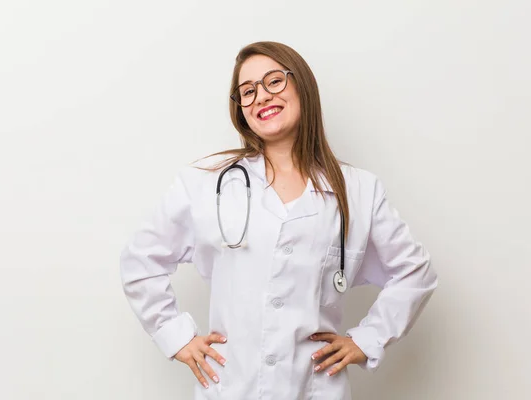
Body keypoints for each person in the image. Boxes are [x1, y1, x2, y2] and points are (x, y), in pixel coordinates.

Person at [120, 41, 438, 400]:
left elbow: (415, 271)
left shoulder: (358, 190)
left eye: (274, 81)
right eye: (248, 91)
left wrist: (368, 339)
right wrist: (175, 336)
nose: (260, 97)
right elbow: (140, 260)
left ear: (302, 85)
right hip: (231, 387)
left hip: (314, 387)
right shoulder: (205, 183)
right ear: (240, 108)